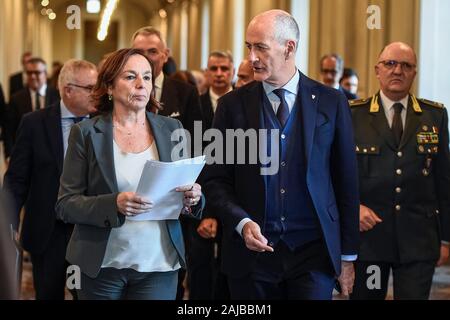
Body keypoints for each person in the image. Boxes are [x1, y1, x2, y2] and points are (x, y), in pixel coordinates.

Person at [204, 10, 359, 300]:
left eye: (260, 47)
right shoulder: (231, 106)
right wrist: (241, 222)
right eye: (249, 47)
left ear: (289, 47)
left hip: (313, 253)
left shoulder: (331, 101)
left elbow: (346, 181)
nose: (252, 57)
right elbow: (215, 180)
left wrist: (347, 256)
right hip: (251, 258)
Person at [55, 48, 204, 300]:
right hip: (101, 265)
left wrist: (194, 198)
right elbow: (65, 205)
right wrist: (113, 203)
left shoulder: (172, 128)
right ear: (110, 87)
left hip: (159, 264)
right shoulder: (86, 133)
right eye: (130, 77)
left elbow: (186, 192)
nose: (141, 84)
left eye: (147, 77)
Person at [349, 42, 450, 300]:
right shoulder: (354, 115)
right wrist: (352, 209)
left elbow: (444, 181)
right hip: (369, 241)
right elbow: (338, 176)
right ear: (377, 70)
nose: (398, 71)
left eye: (406, 65)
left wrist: (446, 239)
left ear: (414, 73)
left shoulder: (434, 116)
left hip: (418, 241)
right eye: (390, 64)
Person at [3, 59, 98, 299]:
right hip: (47, 233)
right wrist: (8, 224)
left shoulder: (102, 125)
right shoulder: (34, 123)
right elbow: (16, 180)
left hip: (89, 233)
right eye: (90, 88)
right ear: (68, 90)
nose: (97, 94)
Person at [131, 27, 202, 137]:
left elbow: (196, 141)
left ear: (165, 55)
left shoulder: (187, 93)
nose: (145, 58)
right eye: (139, 52)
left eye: (152, 52)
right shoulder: (122, 91)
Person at [4, 57, 60, 158]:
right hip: (24, 154)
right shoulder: (16, 99)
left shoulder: (57, 96)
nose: (33, 76)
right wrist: (9, 155)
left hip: (52, 153)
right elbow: (9, 129)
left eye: (37, 72)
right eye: (29, 73)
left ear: (45, 74)